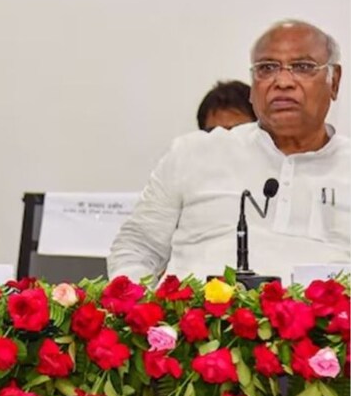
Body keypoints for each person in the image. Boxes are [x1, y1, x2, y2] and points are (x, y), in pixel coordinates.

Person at [109, 20, 349, 282]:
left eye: (302, 67)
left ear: (334, 81)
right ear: (253, 86)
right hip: (195, 307)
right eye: (267, 68)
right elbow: (137, 248)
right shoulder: (194, 153)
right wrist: (141, 304)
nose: (282, 82)